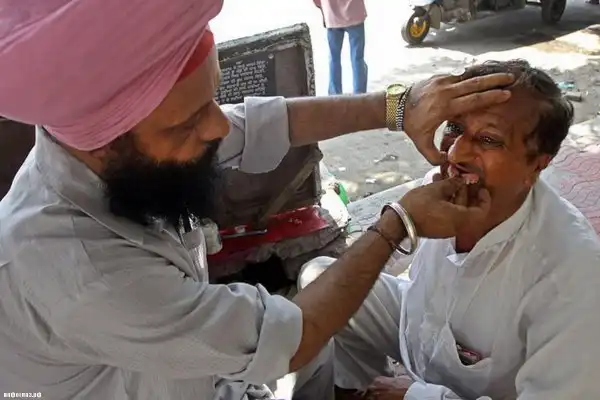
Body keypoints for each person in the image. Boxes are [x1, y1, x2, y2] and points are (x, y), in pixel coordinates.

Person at [0, 1, 515, 399]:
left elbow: (270, 123)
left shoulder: (131, 146)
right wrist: (398, 220)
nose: (219, 126)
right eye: (191, 121)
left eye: (212, 99)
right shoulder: (81, 273)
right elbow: (292, 338)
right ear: (105, 145)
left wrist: (399, 107)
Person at [301, 60, 600, 399]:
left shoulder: (571, 274)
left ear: (537, 165)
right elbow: (391, 259)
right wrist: (398, 223)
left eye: (488, 139)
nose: (455, 153)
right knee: (321, 279)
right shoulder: (441, 188)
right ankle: (354, 389)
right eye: (455, 127)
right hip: (419, 333)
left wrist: (415, 397)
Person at [312, 0, 368, 95]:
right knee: (357, 58)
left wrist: (323, 10)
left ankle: (335, 96)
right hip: (355, 13)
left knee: (334, 58)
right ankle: (359, 94)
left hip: (332, 16)